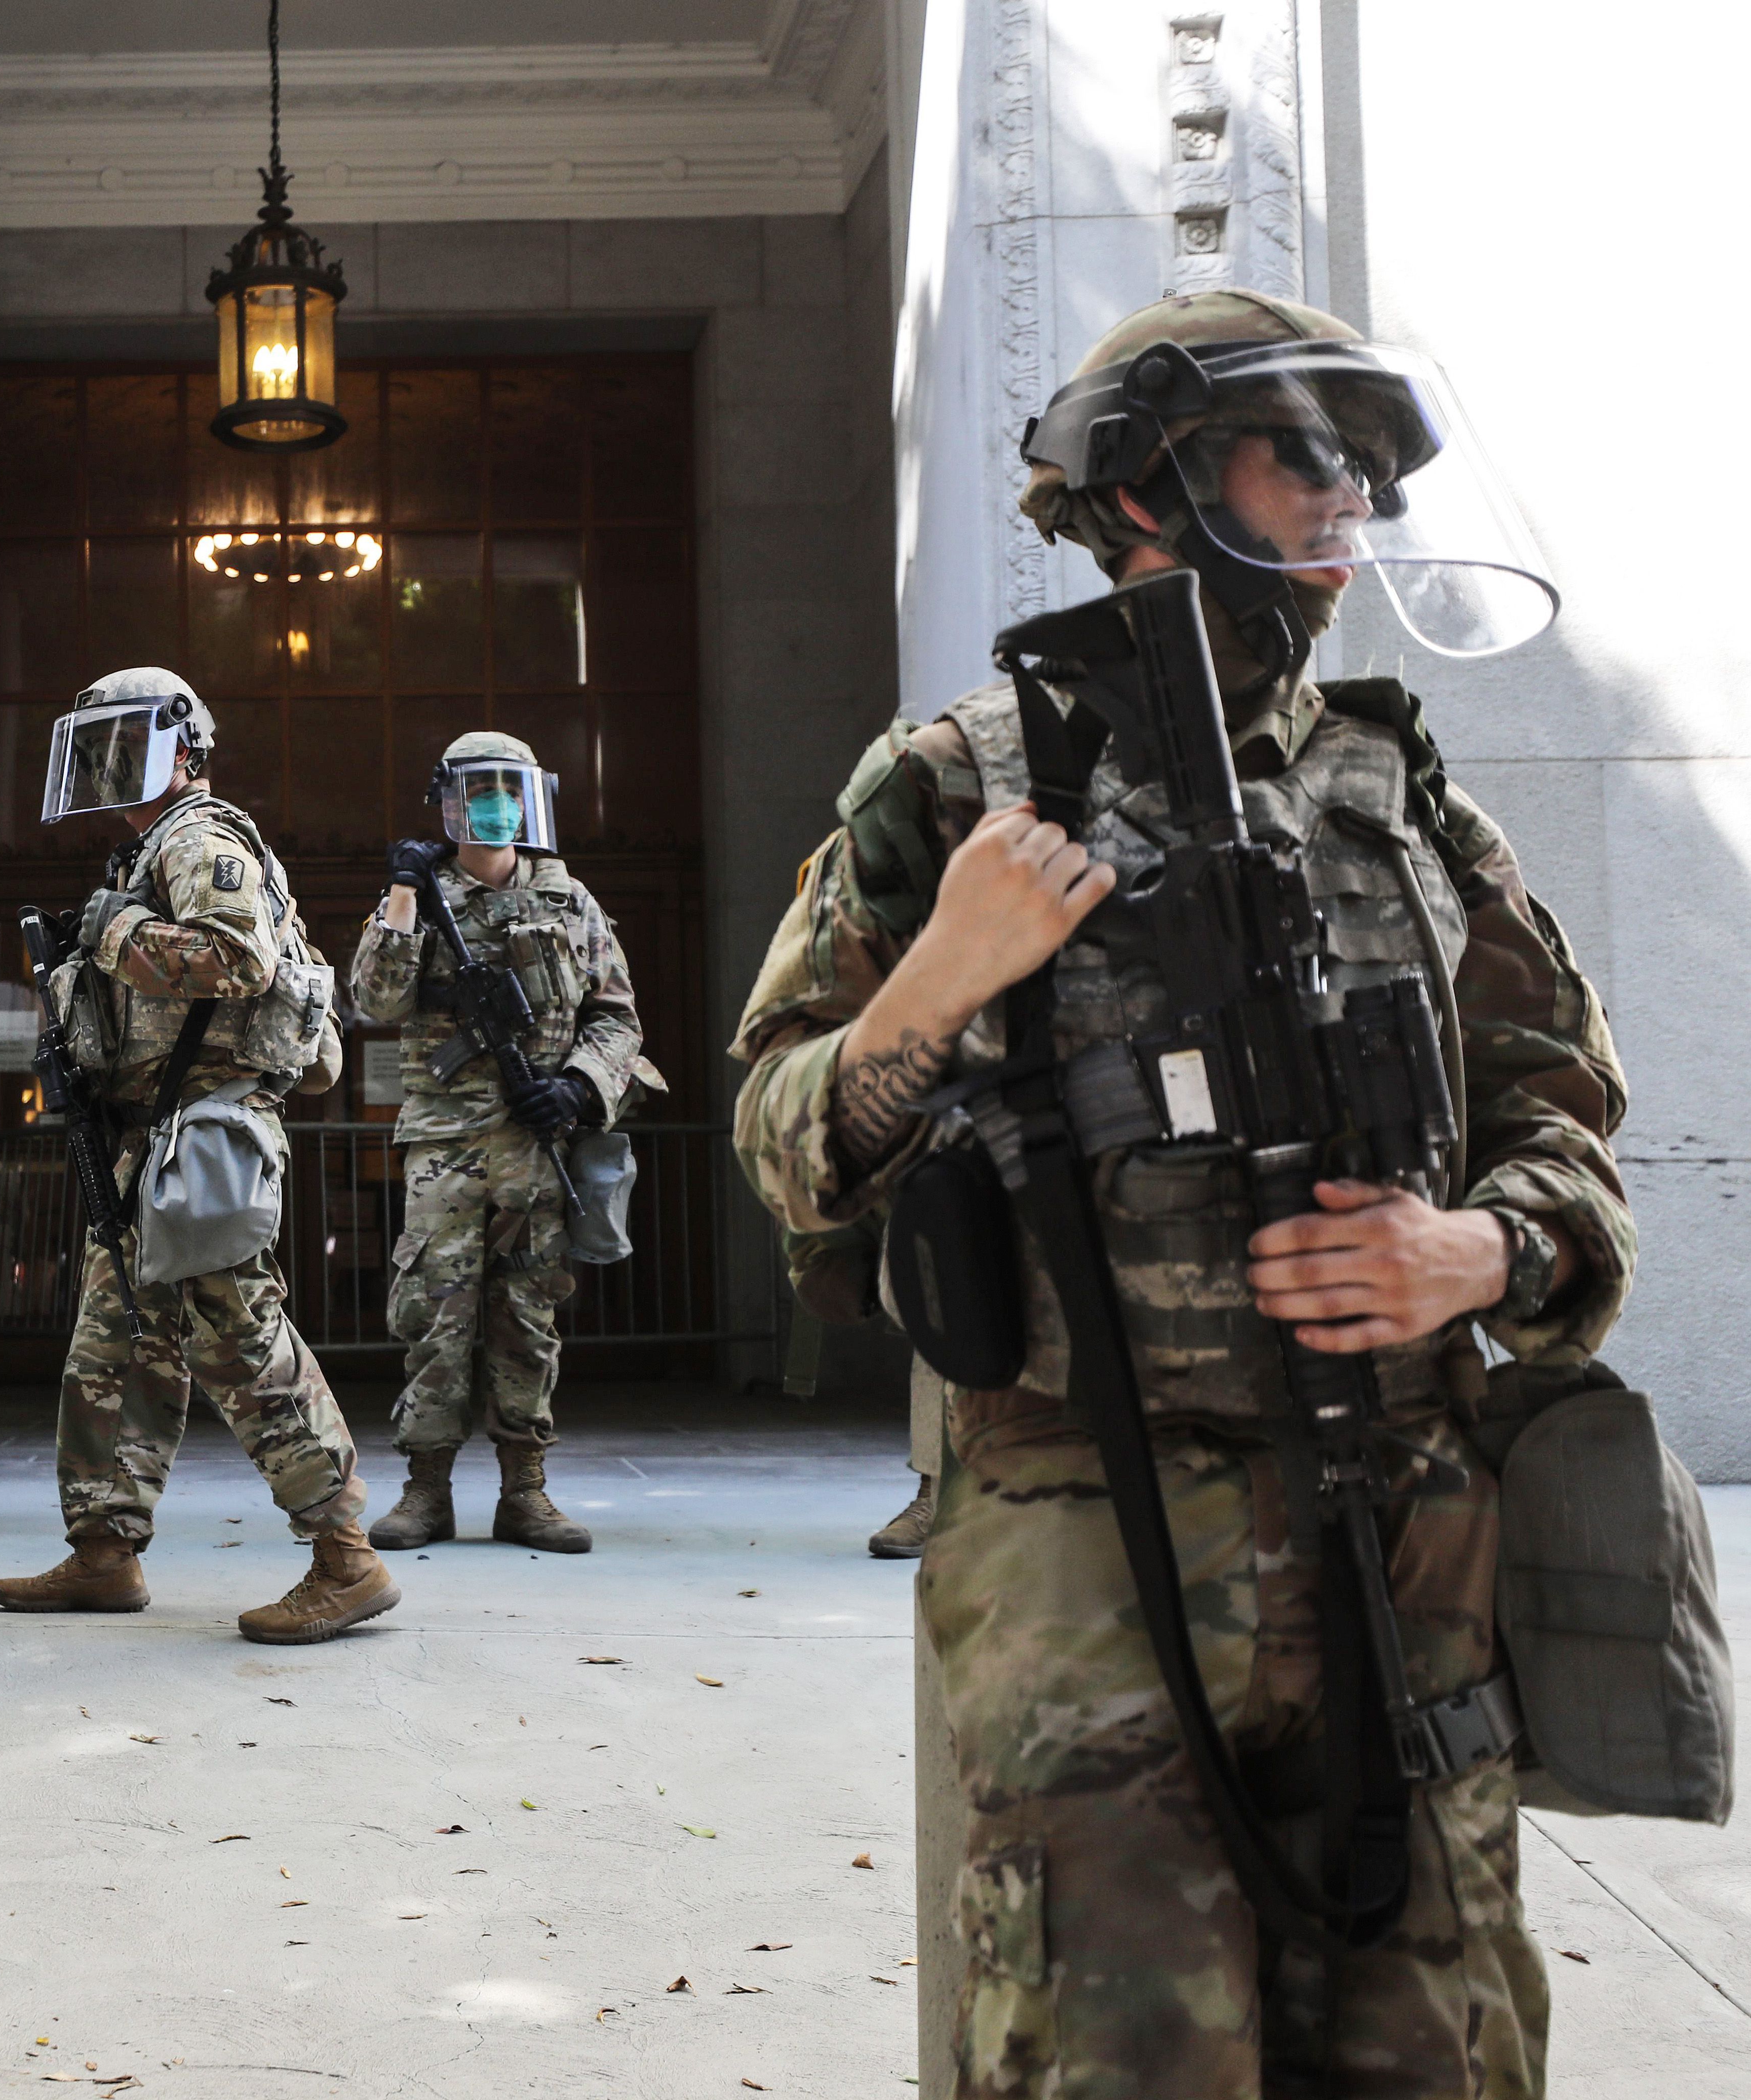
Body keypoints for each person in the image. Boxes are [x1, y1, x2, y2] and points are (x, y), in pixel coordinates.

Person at [733, 289, 1628, 2093]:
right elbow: (786, 1150)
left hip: (1402, 1546)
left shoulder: (1403, 795)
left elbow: (1568, 1138)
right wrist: (940, 981)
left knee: (1435, 2054)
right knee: (1114, 2052)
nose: (1344, 507)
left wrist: (1473, 1250)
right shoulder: (962, 786)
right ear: (1149, 479)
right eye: (1301, 452)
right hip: (1093, 1567)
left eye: (1363, 471)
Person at [0, 667, 393, 1644]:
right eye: (102, 746)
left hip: (203, 1130)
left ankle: (347, 1556)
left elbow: (238, 957)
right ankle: (103, 1553)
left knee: (240, 1339)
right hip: (152, 1138)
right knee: (116, 1347)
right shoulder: (148, 849)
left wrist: (116, 931)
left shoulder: (200, 839)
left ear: (185, 749)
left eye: (132, 743)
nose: (113, 765)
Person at [345, 731, 660, 1553]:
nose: (488, 807)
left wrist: (578, 1087)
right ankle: (426, 1491)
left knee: (528, 1314)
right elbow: (375, 1000)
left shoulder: (570, 901)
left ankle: (526, 1490)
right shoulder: (418, 890)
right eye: (471, 794)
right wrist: (404, 897)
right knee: (434, 1317)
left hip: (535, 1138)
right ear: (447, 805)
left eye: (502, 792)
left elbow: (618, 1017)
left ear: (526, 801)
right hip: (445, 1147)